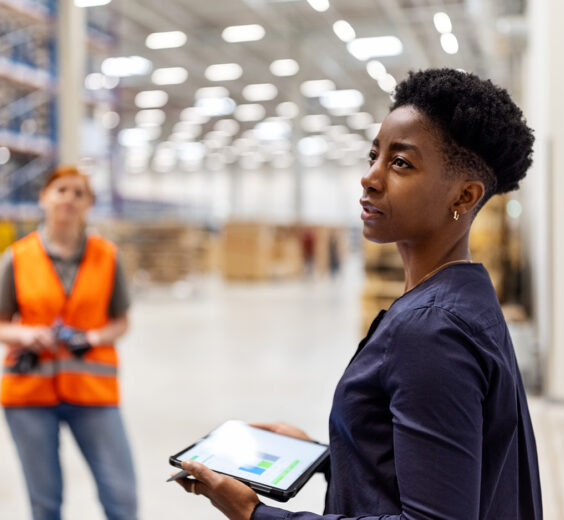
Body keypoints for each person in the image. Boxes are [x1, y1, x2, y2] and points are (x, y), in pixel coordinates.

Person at [176, 68, 542, 520]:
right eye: (374, 156)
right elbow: (442, 466)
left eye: (401, 163)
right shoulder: (466, 296)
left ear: (464, 197)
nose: (370, 178)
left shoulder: (430, 331)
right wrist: (330, 454)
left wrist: (256, 514)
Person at [0, 166, 137, 520]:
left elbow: (122, 321)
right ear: (44, 198)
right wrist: (26, 335)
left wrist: (93, 338)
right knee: (45, 504)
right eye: (61, 190)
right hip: (29, 395)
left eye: (78, 193)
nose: (69, 199)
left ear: (89, 204)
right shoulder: (18, 257)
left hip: (93, 392)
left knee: (121, 495)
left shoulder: (107, 256)